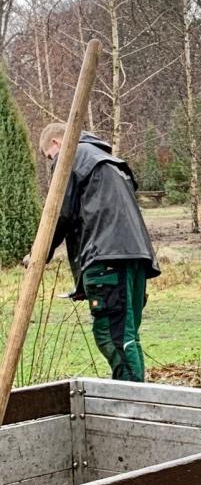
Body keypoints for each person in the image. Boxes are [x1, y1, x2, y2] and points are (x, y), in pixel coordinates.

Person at [38, 124, 160, 382]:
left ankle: (131, 406)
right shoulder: (109, 161)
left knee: (112, 336)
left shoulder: (71, 155)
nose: (53, 163)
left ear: (57, 143)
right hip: (136, 256)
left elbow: (59, 212)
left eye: (49, 156)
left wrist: (39, 253)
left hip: (107, 258)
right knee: (127, 335)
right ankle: (135, 396)